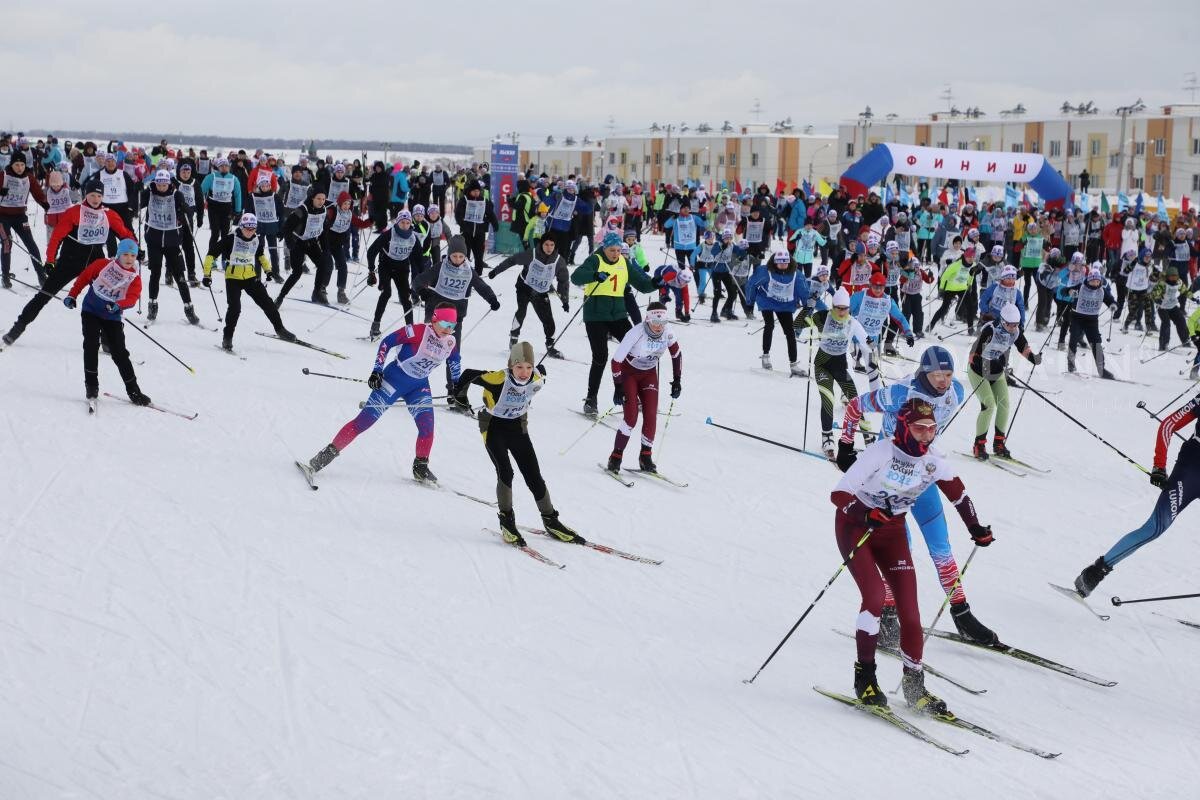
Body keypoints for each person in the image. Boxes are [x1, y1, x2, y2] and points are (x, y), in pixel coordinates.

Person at [833, 397, 994, 711]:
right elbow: (839, 494)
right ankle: (865, 677)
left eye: (931, 429)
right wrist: (865, 514)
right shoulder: (880, 452)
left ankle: (914, 686)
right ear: (904, 428)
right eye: (919, 429)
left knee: (911, 614)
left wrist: (975, 527)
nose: (926, 435)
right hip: (856, 528)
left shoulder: (933, 460)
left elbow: (959, 495)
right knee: (876, 598)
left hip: (892, 533)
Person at [838, 346, 999, 645]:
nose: (944, 381)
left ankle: (962, 613)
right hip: (885, 479)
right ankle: (887, 616)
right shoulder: (900, 394)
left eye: (948, 374)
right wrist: (846, 447)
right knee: (899, 552)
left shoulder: (957, 392)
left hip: (921, 474)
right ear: (924, 373)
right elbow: (855, 406)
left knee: (941, 546)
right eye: (937, 374)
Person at [303, 304, 461, 484]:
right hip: (394, 380)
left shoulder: (450, 342)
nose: (448, 329)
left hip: (419, 387)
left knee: (427, 428)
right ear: (434, 319)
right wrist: (377, 370)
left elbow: (455, 362)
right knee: (363, 422)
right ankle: (321, 459)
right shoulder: (417, 331)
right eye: (445, 323)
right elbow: (387, 342)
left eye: (452, 325)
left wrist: (457, 386)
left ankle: (420, 468)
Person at [454, 342, 583, 547]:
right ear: (511, 366)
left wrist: (538, 369)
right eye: (519, 367)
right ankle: (506, 520)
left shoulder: (537, 378)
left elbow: (542, 370)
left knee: (533, 474)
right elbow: (468, 374)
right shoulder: (498, 378)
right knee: (506, 472)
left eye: (528, 367)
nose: (524, 373)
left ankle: (551, 520)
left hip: (518, 428)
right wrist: (459, 397)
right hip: (493, 428)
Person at [1074, 389, 1199, 597]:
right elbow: (1168, 425)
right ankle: (1096, 571)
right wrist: (1159, 466)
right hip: (1192, 469)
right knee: (1155, 527)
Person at [3, 180, 137, 345]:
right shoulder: (74, 212)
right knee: (44, 295)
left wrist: (134, 247)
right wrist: (51, 260)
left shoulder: (109, 214)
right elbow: (57, 236)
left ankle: (107, 338)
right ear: (85, 195)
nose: (95, 199)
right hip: (70, 260)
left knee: (106, 298)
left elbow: (124, 233)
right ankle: (18, 327)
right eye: (92, 195)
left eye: (99, 195)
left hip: (96, 262)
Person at [570, 231, 661, 417]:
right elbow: (576, 277)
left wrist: (657, 281)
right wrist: (594, 275)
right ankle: (591, 399)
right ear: (604, 248)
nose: (615, 254)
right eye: (612, 250)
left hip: (618, 315)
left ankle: (629, 392)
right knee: (600, 356)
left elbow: (643, 284)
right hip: (595, 315)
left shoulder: (624, 263)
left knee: (635, 350)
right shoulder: (596, 259)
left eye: (619, 250)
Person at [63, 239, 151, 405]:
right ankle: (91, 385)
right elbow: (84, 277)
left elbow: (132, 298)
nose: (129, 258)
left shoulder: (134, 278)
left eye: (133, 255)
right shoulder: (102, 265)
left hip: (112, 317)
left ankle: (134, 391)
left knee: (119, 353)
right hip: (91, 311)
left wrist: (119, 305)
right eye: (125, 254)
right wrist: (72, 295)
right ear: (118, 254)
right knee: (90, 345)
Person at [415, 235, 500, 406]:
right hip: (435, 318)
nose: (458, 260)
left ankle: (452, 390)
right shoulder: (440, 267)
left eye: (461, 256)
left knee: (453, 355)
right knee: (426, 351)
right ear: (449, 254)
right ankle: (413, 384)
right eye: (454, 256)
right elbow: (418, 280)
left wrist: (492, 298)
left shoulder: (469, 271)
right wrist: (421, 291)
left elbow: (481, 286)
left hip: (455, 320)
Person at [605, 302, 682, 475]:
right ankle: (616, 456)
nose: (658, 327)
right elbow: (616, 362)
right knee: (631, 418)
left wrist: (677, 380)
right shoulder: (635, 333)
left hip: (648, 374)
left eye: (662, 323)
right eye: (655, 322)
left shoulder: (668, 332)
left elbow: (676, 354)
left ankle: (645, 456)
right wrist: (618, 387)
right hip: (629, 374)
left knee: (650, 415)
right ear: (647, 320)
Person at [206, 213, 295, 351]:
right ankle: (227, 338)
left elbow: (260, 256)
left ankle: (280, 329)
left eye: (253, 229)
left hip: (250, 276)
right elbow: (211, 254)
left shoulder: (256, 239)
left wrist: (268, 270)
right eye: (247, 228)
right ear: (241, 227)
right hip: (233, 278)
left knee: (268, 303)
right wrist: (207, 274)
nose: (250, 231)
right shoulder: (230, 239)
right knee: (235, 308)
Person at [967, 303, 1040, 459]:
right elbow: (973, 355)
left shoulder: (1015, 332)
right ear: (1002, 320)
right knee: (989, 406)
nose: (1013, 327)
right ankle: (978, 445)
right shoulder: (989, 330)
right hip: (978, 372)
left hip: (996, 372)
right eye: (1010, 324)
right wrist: (989, 363)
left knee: (1004, 404)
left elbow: (1023, 347)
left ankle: (999, 444)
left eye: (1016, 325)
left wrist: (1034, 358)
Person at [805, 286, 870, 460]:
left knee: (855, 401)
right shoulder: (822, 317)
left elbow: (866, 339)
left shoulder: (852, 322)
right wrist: (809, 305)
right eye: (838, 308)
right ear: (832, 306)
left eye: (845, 308)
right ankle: (827, 437)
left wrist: (871, 345)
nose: (841, 312)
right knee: (828, 399)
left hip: (840, 366)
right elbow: (799, 323)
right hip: (822, 365)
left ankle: (868, 438)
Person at [488, 235, 569, 356]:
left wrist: (565, 300)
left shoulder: (559, 261)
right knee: (522, 311)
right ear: (541, 244)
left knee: (548, 320)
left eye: (552, 245)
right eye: (546, 244)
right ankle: (514, 338)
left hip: (541, 292)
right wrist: (496, 271)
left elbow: (563, 281)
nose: (549, 248)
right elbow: (513, 260)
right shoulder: (532, 254)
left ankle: (550, 345)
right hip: (524, 287)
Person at [142, 169, 200, 324]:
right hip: (153, 239)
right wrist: (137, 191)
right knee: (155, 273)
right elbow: (137, 203)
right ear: (156, 182)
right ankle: (152, 305)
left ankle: (189, 309)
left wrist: (183, 211)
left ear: (169, 183)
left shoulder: (176, 194)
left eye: (165, 184)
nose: (162, 186)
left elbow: (188, 211)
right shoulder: (150, 193)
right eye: (159, 183)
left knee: (179, 276)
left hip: (172, 241)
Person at [745, 250, 813, 375]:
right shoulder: (765, 271)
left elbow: (804, 292)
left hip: (785, 305)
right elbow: (752, 284)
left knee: (790, 332)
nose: (783, 265)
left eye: (785, 263)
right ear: (775, 262)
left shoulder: (796, 275)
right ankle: (765, 356)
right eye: (780, 263)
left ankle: (793, 364)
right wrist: (750, 302)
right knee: (769, 324)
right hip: (767, 301)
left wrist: (808, 305)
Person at [366, 210, 426, 336]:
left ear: (411, 224)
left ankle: (410, 331)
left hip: (402, 269)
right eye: (402, 222)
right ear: (398, 222)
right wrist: (371, 271)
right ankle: (375, 325)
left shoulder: (413, 238)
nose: (405, 225)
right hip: (386, 266)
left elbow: (419, 260)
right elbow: (371, 251)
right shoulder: (388, 234)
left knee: (405, 299)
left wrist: (423, 279)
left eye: (407, 223)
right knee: (386, 293)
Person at [276, 187, 333, 306]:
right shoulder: (302, 210)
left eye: (323, 199)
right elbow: (287, 227)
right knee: (297, 272)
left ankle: (317, 292)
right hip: (298, 242)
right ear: (312, 198)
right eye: (318, 198)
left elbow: (323, 231)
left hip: (311, 242)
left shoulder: (323, 211)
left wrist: (326, 249)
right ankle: (280, 297)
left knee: (323, 264)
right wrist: (290, 244)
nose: (321, 201)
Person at [0, 151, 50, 286]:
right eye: (17, 164)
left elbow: (38, 194)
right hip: (2, 216)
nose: (20, 167)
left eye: (22, 164)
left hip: (20, 216)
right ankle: (5, 276)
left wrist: (46, 205)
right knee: (7, 243)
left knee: (31, 244)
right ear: (12, 164)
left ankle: (41, 275)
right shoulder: (3, 175)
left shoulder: (29, 177)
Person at [1066, 265, 1116, 378]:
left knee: (1096, 343)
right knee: (1074, 338)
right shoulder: (1081, 286)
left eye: (1097, 281)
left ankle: (1101, 369)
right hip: (1077, 317)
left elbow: (1110, 299)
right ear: (1089, 279)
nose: (1095, 283)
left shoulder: (1102, 290)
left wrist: (1113, 305)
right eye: (1093, 280)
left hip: (1092, 320)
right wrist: (1070, 292)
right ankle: (1071, 362)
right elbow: (1066, 290)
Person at [453, 179, 497, 274]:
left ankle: (478, 274)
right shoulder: (464, 200)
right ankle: (465, 272)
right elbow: (458, 214)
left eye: (478, 191)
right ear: (470, 191)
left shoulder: (484, 200)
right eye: (474, 191)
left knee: (479, 254)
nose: (476, 193)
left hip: (479, 232)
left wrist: (495, 224)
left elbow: (490, 213)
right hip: (467, 232)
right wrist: (463, 224)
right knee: (465, 253)